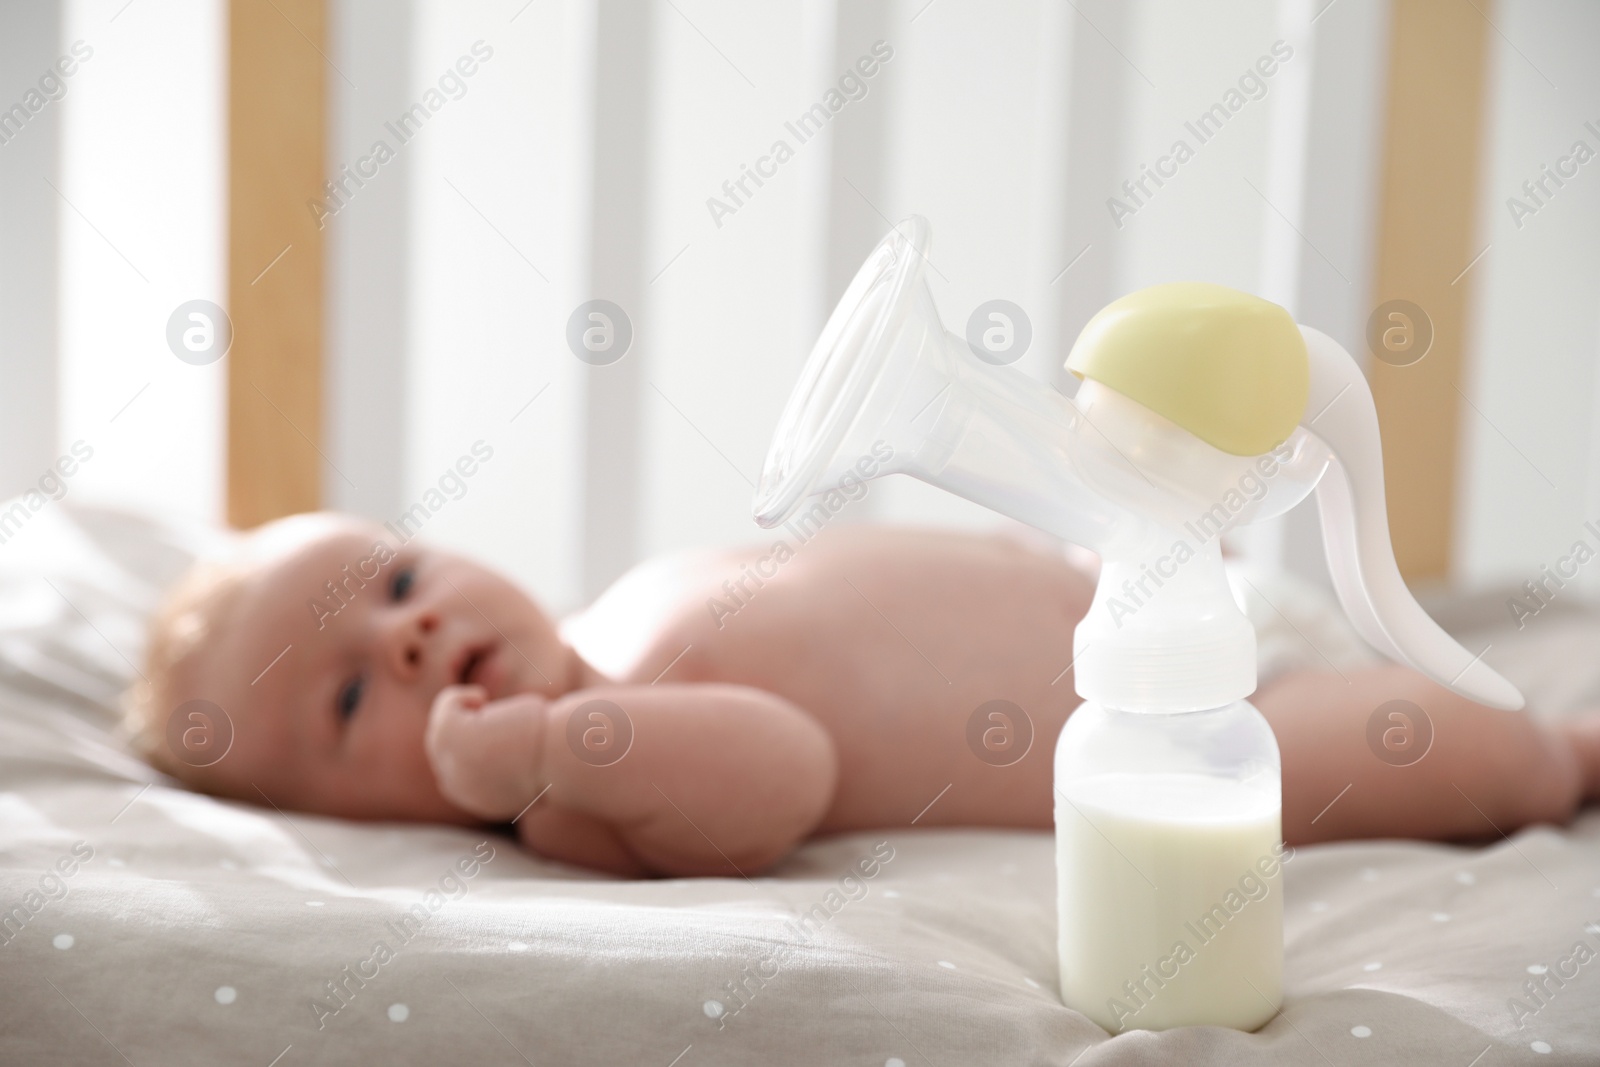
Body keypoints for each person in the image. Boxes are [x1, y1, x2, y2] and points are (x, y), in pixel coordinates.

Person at [125, 512, 1600, 877]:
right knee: (1413, 753)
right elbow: (783, 776)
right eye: (340, 706)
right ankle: (1558, 761)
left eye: (394, 583)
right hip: (1190, 733)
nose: (409, 639)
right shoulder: (572, 799)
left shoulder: (610, 608)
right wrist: (550, 747)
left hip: (1154, 598)